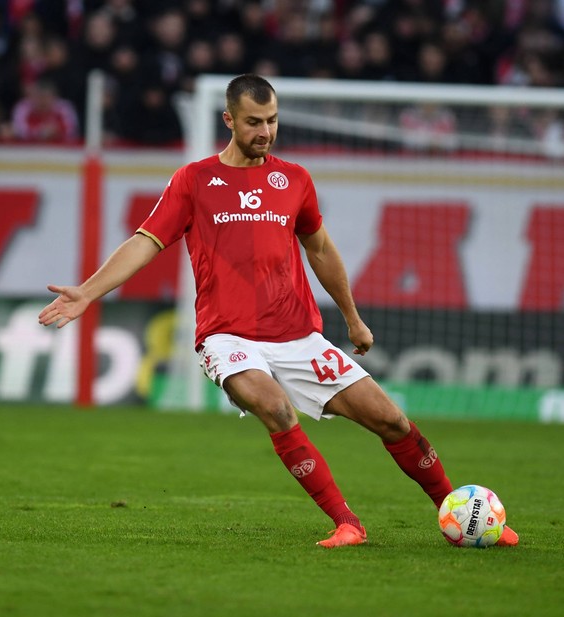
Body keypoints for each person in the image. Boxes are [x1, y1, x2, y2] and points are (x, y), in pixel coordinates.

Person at [38, 74, 519, 548]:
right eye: (253, 121)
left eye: (271, 120)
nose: (265, 131)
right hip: (227, 336)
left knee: (391, 420)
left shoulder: (294, 179)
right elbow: (145, 242)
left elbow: (321, 250)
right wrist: (88, 292)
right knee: (276, 409)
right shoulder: (194, 180)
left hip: (298, 336)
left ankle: (462, 515)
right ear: (229, 120)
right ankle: (347, 523)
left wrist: (352, 318)